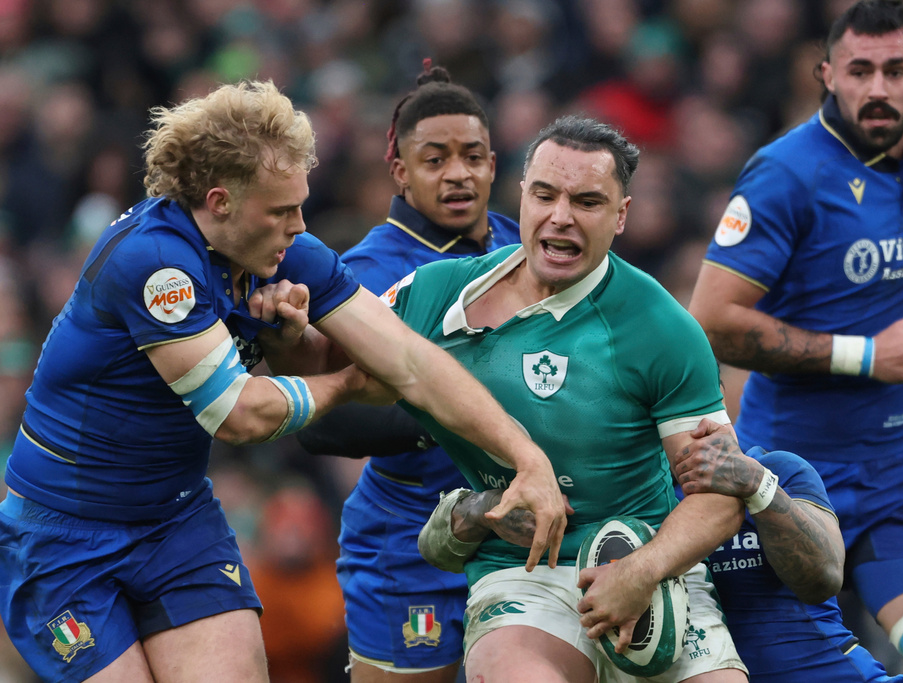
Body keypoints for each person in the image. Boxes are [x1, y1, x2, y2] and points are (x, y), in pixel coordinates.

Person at [0, 80, 566, 683]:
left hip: (175, 521)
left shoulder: (282, 248)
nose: (300, 225)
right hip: (65, 535)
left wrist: (524, 456)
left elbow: (411, 361)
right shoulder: (157, 264)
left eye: (299, 204)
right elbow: (237, 414)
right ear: (220, 201)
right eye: (281, 210)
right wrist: (347, 386)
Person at [273, 115, 749, 682]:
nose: (561, 217)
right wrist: (280, 331)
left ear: (621, 216)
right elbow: (321, 359)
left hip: (649, 565)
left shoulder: (663, 327)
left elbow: (719, 493)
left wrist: (642, 571)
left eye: (588, 201)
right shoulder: (436, 293)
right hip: (523, 572)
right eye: (545, 195)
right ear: (520, 196)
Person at [687, 2, 903, 682]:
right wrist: (868, 355)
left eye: (894, 70)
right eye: (859, 70)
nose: (876, 88)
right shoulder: (784, 175)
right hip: (789, 477)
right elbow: (712, 319)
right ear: (826, 73)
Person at [297, 62, 520, 683]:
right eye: (435, 159)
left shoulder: (528, 252)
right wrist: (452, 413)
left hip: (519, 539)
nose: (458, 173)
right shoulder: (360, 277)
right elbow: (320, 427)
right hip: (407, 540)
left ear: (494, 164)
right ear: (400, 172)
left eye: (473, 156)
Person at [425, 417, 903, 682]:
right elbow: (436, 549)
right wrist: (481, 507)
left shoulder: (773, 468)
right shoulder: (603, 501)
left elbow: (824, 576)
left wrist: (758, 488)